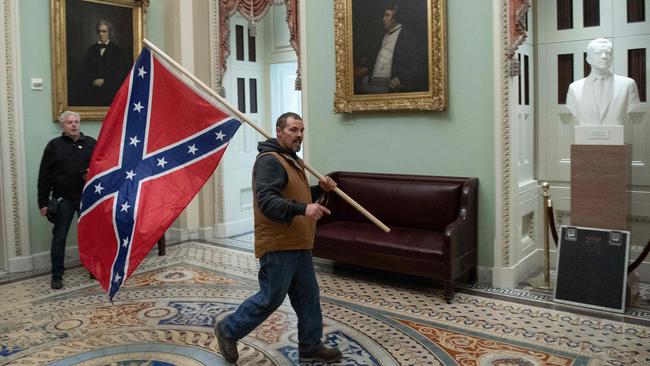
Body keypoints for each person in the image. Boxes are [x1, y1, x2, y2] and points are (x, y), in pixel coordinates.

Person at [214, 112, 343, 364]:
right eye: (293, 130)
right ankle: (228, 329)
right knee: (271, 297)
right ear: (279, 131)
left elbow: (294, 195)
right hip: (279, 244)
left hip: (299, 242)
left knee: (308, 295)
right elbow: (268, 201)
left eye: (302, 130)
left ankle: (310, 345)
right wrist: (304, 209)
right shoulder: (270, 161)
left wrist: (319, 190)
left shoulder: (291, 159)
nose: (299, 135)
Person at [38, 111, 96, 289]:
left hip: (87, 198)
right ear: (62, 125)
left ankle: (94, 269)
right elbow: (44, 176)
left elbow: (102, 167)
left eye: (76, 122)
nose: (74, 125)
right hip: (64, 200)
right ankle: (57, 274)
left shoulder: (91, 143)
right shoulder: (54, 146)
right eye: (69, 122)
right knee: (60, 237)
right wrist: (43, 203)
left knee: (91, 236)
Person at [566, 38, 640, 126]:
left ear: (612, 58)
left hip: (615, 136)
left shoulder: (628, 84)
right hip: (586, 136)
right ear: (588, 59)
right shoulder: (575, 88)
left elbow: (631, 106)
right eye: (598, 53)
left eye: (608, 53)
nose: (604, 56)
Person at [356, 4, 427, 94]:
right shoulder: (384, 36)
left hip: (392, 87)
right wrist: (369, 76)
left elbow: (418, 66)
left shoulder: (408, 37)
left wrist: (400, 79)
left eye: (387, 15)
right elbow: (378, 60)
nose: (383, 19)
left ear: (397, 17)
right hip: (376, 84)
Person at [78, 20, 129, 106]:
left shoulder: (118, 51)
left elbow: (120, 73)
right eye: (99, 31)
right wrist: (93, 80)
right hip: (92, 92)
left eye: (104, 31)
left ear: (109, 33)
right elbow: (84, 69)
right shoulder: (91, 50)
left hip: (110, 93)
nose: (101, 34)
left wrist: (105, 81)